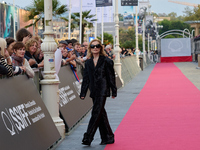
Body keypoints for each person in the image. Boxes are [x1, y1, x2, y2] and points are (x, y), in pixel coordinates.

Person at [80, 39, 117, 146]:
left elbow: (111, 77)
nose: (95, 48)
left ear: (100, 48)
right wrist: (83, 93)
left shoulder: (107, 61)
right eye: (93, 46)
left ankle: (88, 137)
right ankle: (108, 137)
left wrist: (113, 91)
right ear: (90, 49)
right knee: (101, 113)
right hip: (94, 90)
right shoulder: (88, 63)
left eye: (97, 46)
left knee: (96, 112)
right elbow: (86, 79)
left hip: (103, 89)